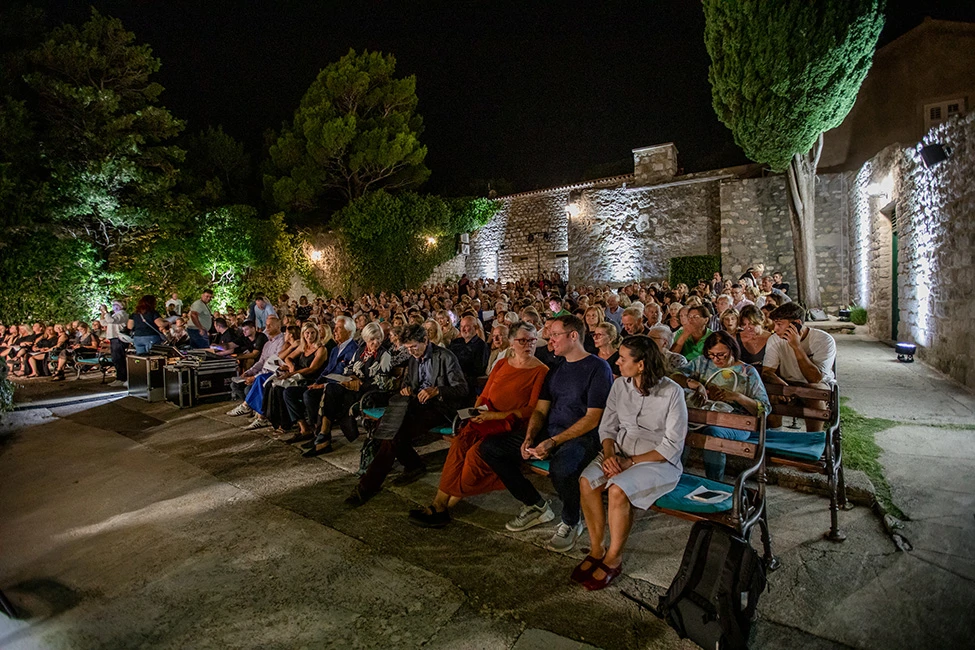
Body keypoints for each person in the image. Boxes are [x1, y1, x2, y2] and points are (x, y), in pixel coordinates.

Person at [480, 315, 613, 552]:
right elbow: (541, 410)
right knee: (490, 448)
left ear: (573, 336)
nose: (550, 340)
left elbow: (593, 417)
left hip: (582, 437)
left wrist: (553, 442)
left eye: (555, 335)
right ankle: (536, 504)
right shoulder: (556, 369)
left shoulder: (597, 367)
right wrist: (530, 437)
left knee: (562, 469)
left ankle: (572, 520)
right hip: (550, 433)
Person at [409, 322, 549, 528]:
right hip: (485, 419)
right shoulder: (502, 364)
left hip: (509, 426)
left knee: (475, 456)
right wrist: (475, 412)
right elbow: (484, 394)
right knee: (458, 446)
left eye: (531, 340)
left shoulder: (540, 370)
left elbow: (531, 409)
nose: (528, 344)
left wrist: (494, 416)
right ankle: (439, 504)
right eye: (522, 340)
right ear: (512, 342)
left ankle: (443, 507)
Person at [575, 336, 688, 590]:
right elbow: (608, 426)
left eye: (624, 358)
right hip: (619, 453)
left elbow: (672, 445)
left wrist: (630, 463)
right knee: (586, 480)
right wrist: (609, 454)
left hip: (657, 462)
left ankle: (614, 558)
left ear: (641, 364)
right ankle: (596, 549)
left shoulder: (671, 392)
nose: (617, 361)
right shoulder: (620, 386)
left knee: (617, 490)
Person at [347, 324, 468, 506]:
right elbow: (409, 383)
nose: (411, 352)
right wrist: (407, 389)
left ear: (425, 341)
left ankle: (366, 486)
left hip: (439, 407)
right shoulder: (413, 358)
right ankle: (413, 465)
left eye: (413, 347)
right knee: (383, 426)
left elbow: (462, 389)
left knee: (393, 434)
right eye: (408, 348)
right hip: (414, 404)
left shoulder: (444, 357)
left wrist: (437, 391)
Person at [672, 331, 770, 480]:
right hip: (704, 417)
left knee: (713, 433)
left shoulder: (747, 372)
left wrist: (737, 397)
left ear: (732, 350)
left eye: (721, 354)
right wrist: (695, 384)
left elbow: (764, 408)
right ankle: (676, 477)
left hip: (738, 423)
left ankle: (715, 482)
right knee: (679, 427)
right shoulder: (702, 363)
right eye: (712, 354)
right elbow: (674, 376)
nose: (716, 359)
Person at [282, 315, 359, 443]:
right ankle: (304, 428)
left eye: (339, 328)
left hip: (337, 389)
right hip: (324, 384)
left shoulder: (353, 350)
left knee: (309, 395)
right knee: (289, 392)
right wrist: (317, 383)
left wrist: (321, 386)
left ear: (349, 331)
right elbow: (326, 371)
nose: (335, 331)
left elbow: (346, 376)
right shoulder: (335, 349)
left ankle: (317, 431)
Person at [762, 303, 836, 432]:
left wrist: (796, 346)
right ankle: (776, 436)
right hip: (788, 382)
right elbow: (767, 372)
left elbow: (814, 378)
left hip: (817, 385)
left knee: (814, 393)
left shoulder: (824, 340)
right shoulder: (775, 339)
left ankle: (813, 439)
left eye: (780, 324)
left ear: (796, 323)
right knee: (770, 391)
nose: (775, 329)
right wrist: (782, 385)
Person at [263, 324, 329, 434]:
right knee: (271, 385)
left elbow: (312, 369)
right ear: (303, 334)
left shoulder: (321, 349)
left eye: (313, 333)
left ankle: (288, 424)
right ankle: (275, 420)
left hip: (310, 379)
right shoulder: (303, 347)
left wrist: (291, 373)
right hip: (297, 376)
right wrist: (290, 366)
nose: (310, 336)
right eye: (307, 333)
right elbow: (287, 357)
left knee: (282, 390)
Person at [449, 315, 488, 399]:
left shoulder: (481, 346)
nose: (462, 329)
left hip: (465, 382)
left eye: (466, 326)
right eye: (461, 326)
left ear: (475, 327)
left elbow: (479, 369)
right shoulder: (456, 342)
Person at [99, 301, 130, 387]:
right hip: (113, 338)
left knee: (119, 359)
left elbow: (111, 320)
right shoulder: (114, 315)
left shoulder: (122, 314)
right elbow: (104, 322)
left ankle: (122, 378)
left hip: (118, 338)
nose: (113, 307)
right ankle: (119, 377)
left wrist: (106, 312)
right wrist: (102, 313)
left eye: (115, 305)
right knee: (116, 359)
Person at [736, 305, 773, 369]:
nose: (748, 328)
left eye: (752, 323)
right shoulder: (735, 339)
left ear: (761, 321)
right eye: (744, 324)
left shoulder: (772, 338)